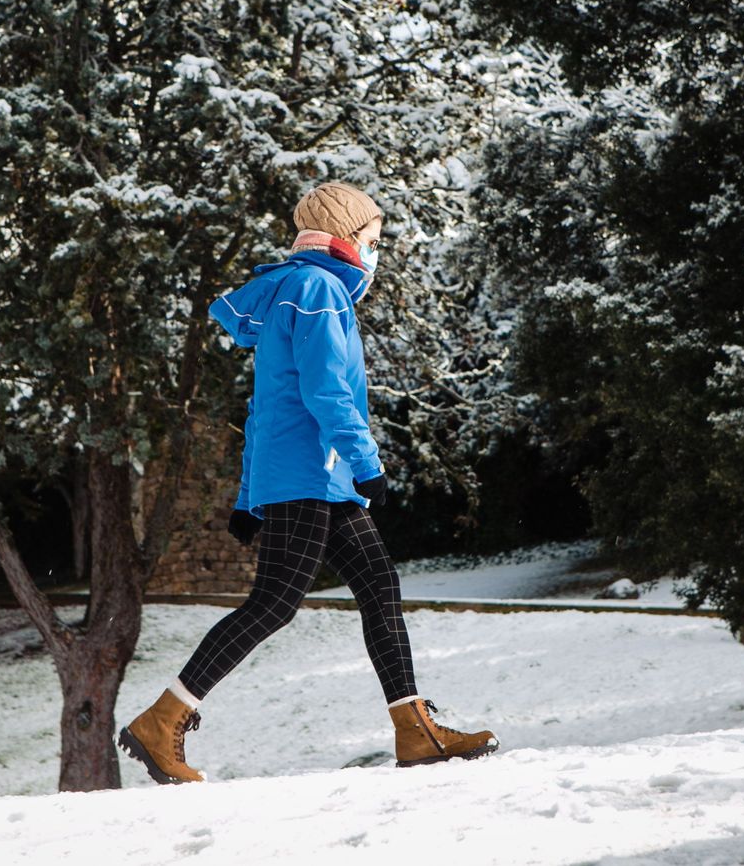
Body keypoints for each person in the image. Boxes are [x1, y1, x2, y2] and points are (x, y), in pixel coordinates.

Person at [118, 181, 498, 785]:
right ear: (345, 236)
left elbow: (266, 407)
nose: (376, 252)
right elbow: (326, 391)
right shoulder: (318, 289)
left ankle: (415, 729)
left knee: (378, 586)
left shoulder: (297, 289)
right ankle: (161, 721)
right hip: (310, 474)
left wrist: (249, 495)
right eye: (373, 240)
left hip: (316, 476)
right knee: (274, 603)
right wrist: (367, 461)